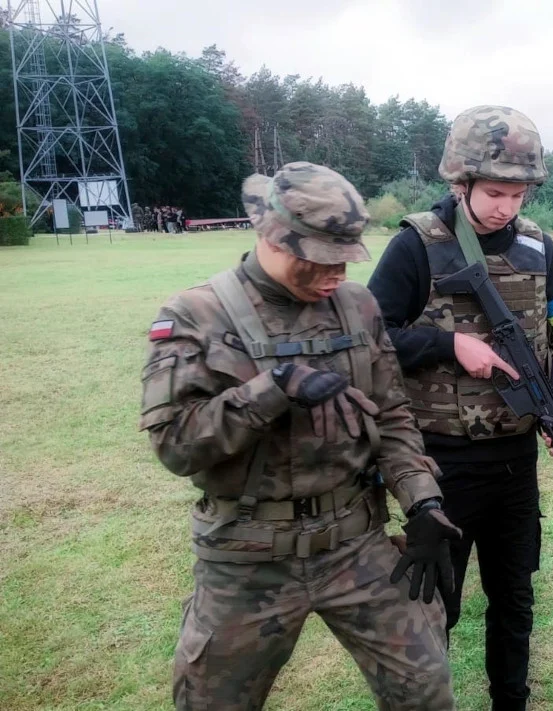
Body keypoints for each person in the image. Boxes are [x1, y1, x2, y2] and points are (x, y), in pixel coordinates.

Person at [139, 162, 458, 711]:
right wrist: (273, 390)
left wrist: (423, 502)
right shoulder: (197, 315)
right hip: (247, 556)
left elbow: (394, 416)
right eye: (324, 258)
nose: (339, 271)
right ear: (275, 237)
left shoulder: (358, 307)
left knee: (426, 692)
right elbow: (176, 444)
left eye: (346, 256)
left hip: (356, 542)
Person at [367, 105, 553, 711]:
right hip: (442, 465)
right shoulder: (416, 246)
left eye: (518, 194)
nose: (506, 208)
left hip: (515, 462)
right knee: (438, 605)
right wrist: (447, 343)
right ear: (458, 182)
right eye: (493, 192)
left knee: (514, 599)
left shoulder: (540, 249)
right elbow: (370, 336)